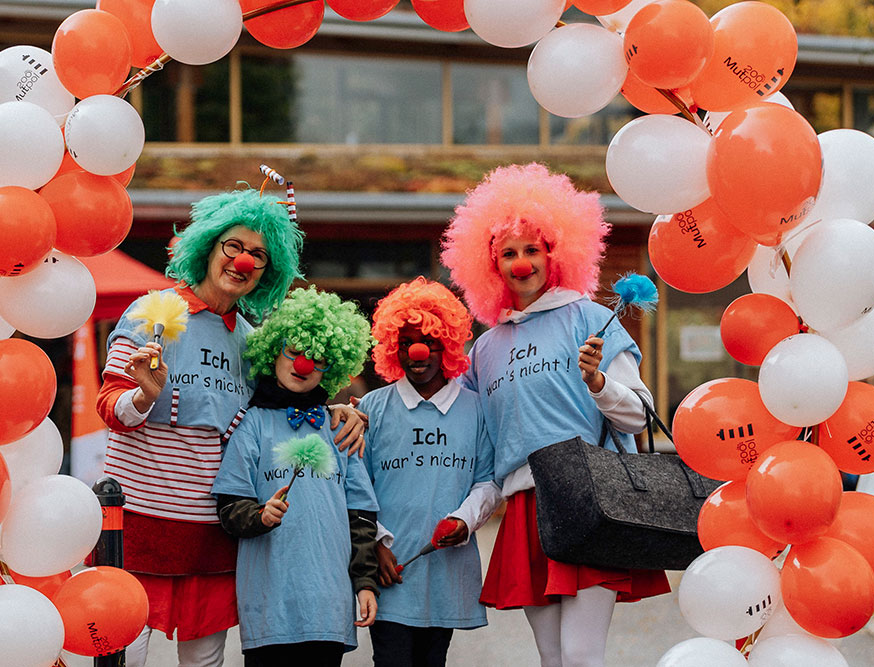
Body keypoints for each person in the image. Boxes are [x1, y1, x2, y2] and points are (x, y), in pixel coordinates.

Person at [95, 186, 365, 667]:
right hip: (142, 524)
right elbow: (109, 407)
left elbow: (287, 403)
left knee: (204, 662)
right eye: (234, 247)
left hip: (214, 530)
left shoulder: (252, 341)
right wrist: (145, 395)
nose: (242, 262)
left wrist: (340, 412)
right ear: (209, 247)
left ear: (268, 271)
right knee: (124, 657)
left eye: (258, 255)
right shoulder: (152, 313)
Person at [440, 163, 670, 667]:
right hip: (524, 507)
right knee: (551, 658)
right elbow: (467, 433)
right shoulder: (485, 349)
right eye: (508, 253)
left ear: (555, 252)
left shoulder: (590, 318)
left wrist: (598, 382)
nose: (521, 263)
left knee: (582, 655)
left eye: (532, 249)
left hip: (591, 497)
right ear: (491, 264)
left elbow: (641, 416)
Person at [212, 286, 380, 667]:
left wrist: (365, 582)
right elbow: (228, 505)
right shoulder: (252, 424)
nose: (303, 365)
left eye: (317, 358)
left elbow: (361, 517)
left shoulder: (339, 428)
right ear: (275, 352)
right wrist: (259, 516)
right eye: (294, 351)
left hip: (328, 606)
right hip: (269, 606)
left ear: (333, 366)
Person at [358, 277, 501, 667]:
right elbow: (357, 486)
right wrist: (377, 544)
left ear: (449, 345)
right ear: (393, 348)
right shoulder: (373, 407)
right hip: (391, 570)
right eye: (405, 343)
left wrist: (464, 519)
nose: (416, 352)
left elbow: (488, 480)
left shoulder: (474, 409)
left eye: (429, 342)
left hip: (445, 574)